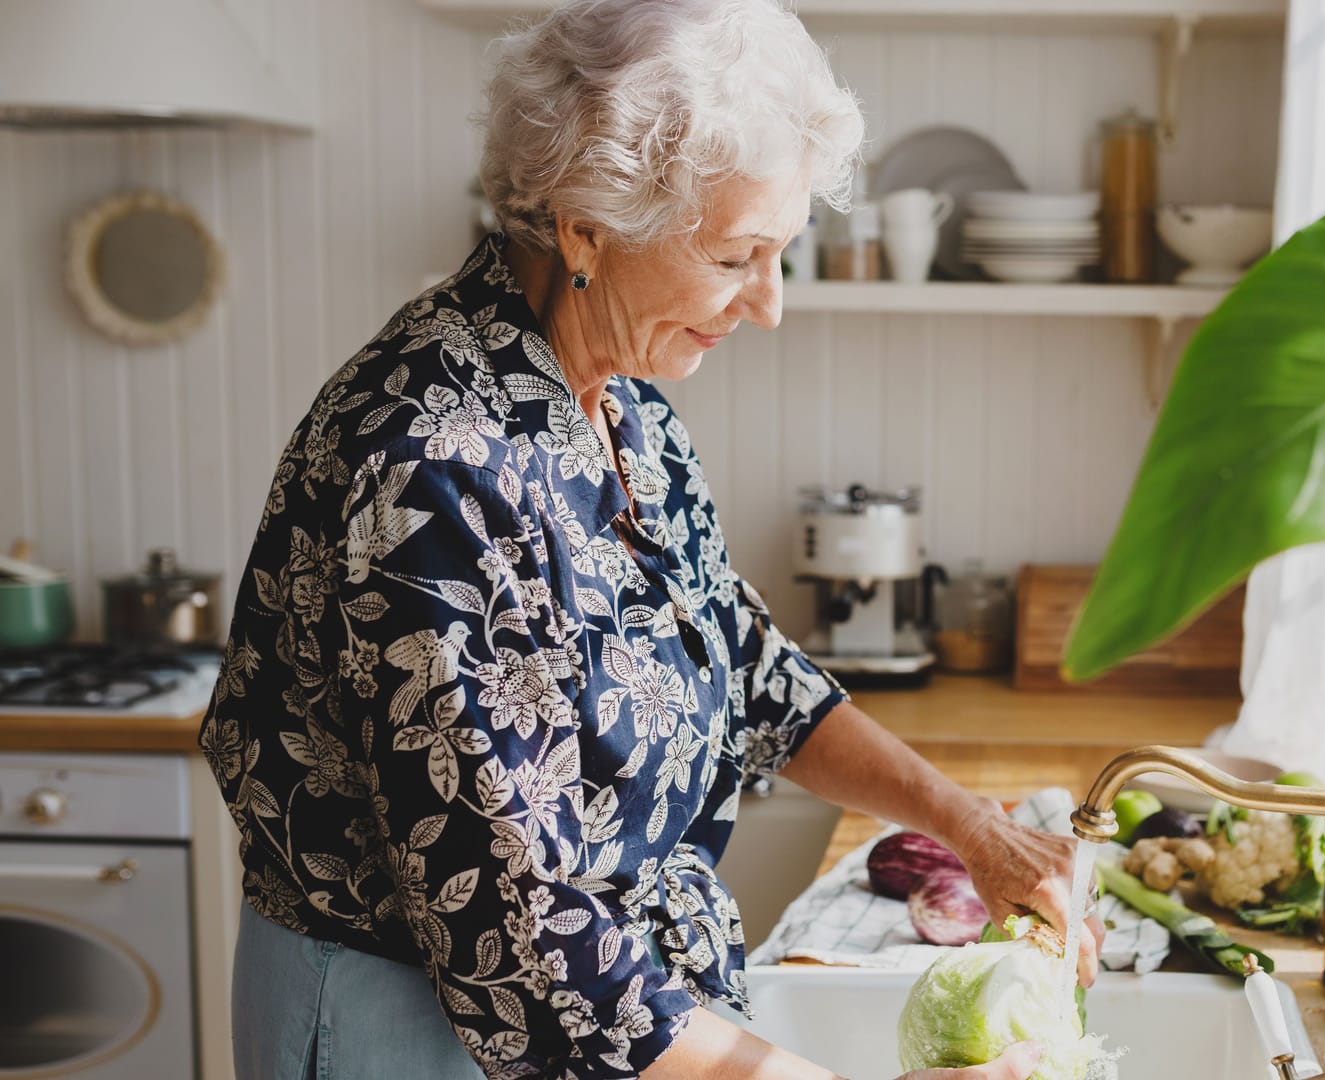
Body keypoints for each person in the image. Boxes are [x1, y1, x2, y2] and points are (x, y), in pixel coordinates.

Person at [199, 2, 1098, 1076]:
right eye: (737, 256)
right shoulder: (427, 471)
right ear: (586, 228)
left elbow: (745, 663)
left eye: (781, 253)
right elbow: (522, 944)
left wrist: (972, 829)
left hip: (598, 1005)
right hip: (405, 1025)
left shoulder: (619, 402)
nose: (767, 304)